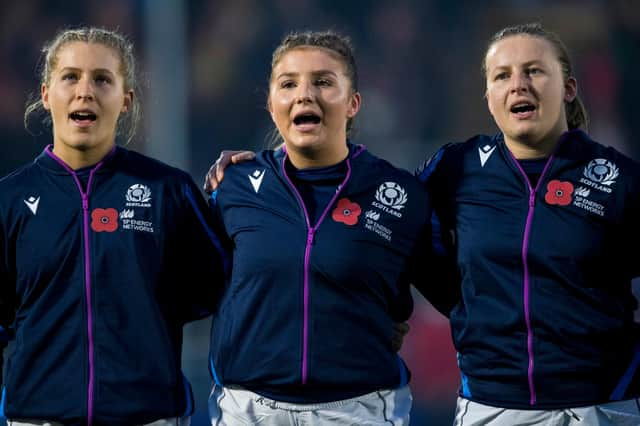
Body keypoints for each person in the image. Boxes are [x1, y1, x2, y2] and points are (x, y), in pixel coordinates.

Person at [204, 30, 457, 426]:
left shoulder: (399, 195)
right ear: (272, 105)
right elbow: (195, 286)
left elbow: (456, 295)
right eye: (289, 84)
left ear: (353, 103)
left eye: (323, 82)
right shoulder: (233, 186)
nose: (305, 94)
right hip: (249, 411)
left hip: (358, 410)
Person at [0, 27, 226, 426]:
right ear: (45, 93)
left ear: (126, 100)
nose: (85, 91)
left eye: (102, 79)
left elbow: (217, 288)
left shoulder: (168, 191)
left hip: (150, 417)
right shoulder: (10, 200)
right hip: (38, 417)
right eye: (70, 77)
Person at [420, 22, 640, 425]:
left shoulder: (619, 179)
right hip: (492, 405)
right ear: (490, 97)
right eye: (502, 75)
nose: (518, 84)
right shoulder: (455, 168)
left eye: (535, 71)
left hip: (601, 406)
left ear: (568, 88)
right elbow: (390, 229)